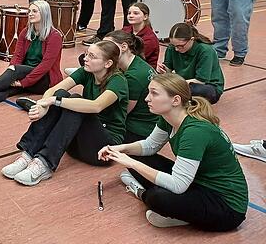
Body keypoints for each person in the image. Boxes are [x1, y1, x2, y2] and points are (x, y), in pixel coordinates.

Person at [99, 73, 247, 231]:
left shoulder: (194, 132)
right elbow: (150, 146)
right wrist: (120, 148)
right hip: (197, 181)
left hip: (226, 207)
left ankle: (142, 193)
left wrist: (131, 163)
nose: (147, 99)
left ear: (176, 100)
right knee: (137, 155)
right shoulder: (169, 117)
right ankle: (182, 211)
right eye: (149, 92)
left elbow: (178, 186)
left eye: (154, 93)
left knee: (157, 197)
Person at [0, 41, 127, 186]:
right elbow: (54, 90)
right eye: (86, 54)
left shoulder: (118, 81)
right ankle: (28, 154)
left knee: (75, 102)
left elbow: (96, 106)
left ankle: (44, 164)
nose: (85, 59)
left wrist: (55, 101)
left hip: (104, 150)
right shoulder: (87, 71)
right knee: (61, 94)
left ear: (108, 63)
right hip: (76, 144)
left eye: (92, 56)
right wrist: (43, 105)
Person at [0, 0, 63, 112]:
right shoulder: (26, 32)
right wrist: (13, 76)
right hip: (26, 74)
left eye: (34, 11)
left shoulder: (54, 36)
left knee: (16, 72)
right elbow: (17, 56)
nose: (30, 14)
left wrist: (24, 81)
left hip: (45, 80)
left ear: (44, 14)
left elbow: (45, 66)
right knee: (10, 87)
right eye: (29, 11)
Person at [103, 30, 156, 142]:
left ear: (124, 47)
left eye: (108, 46)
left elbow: (122, 111)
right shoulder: (136, 62)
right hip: (147, 125)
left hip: (138, 130)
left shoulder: (134, 76)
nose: (104, 50)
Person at [157, 23, 224, 104]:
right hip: (184, 83)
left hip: (207, 86)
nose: (177, 49)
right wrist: (163, 71)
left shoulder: (205, 50)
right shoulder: (173, 48)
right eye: (174, 45)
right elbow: (168, 69)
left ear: (191, 40)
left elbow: (201, 80)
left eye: (180, 46)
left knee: (195, 90)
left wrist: (174, 84)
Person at [122, 2, 159, 68]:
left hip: (141, 70)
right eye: (129, 13)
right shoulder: (125, 30)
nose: (131, 15)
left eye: (135, 13)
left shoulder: (150, 38)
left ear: (145, 17)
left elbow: (133, 58)